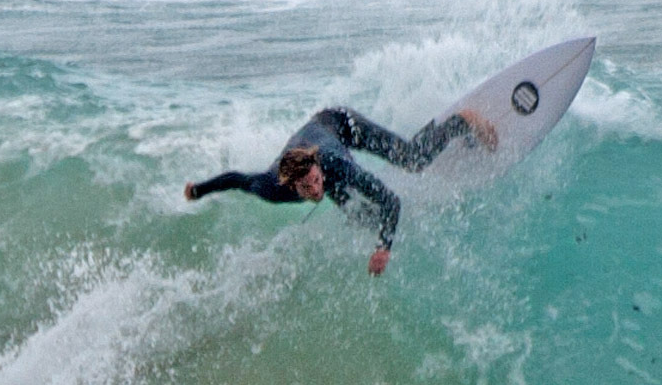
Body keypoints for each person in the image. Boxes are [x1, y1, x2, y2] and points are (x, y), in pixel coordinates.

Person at [184, 106, 497, 275]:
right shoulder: (271, 185)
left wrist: (383, 248)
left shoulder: (334, 166)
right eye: (307, 188)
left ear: (318, 169)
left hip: (341, 124)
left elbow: (391, 199)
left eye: (316, 180)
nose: (315, 189)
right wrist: (199, 190)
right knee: (359, 217)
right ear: (292, 185)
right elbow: (238, 179)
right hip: (315, 144)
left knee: (412, 160)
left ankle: (460, 122)